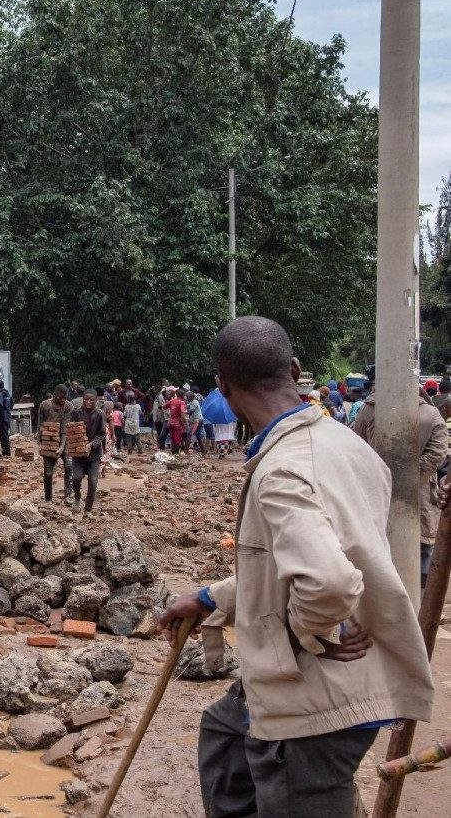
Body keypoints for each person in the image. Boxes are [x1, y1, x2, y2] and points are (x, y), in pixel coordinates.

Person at [158, 316, 433, 817]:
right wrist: (206, 598)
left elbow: (328, 582)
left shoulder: (282, 471)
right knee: (224, 735)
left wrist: (313, 633)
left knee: (294, 791)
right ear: (294, 370)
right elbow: (284, 567)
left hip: (318, 700)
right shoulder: (348, 445)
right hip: (337, 676)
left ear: (222, 386)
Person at [351, 382, 450, 589]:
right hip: (419, 493)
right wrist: (413, 477)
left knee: (378, 543)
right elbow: (438, 452)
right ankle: (418, 594)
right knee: (423, 546)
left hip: (375, 490)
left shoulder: (367, 410)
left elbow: (355, 446)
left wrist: (380, 475)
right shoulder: (431, 414)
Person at [37, 385, 78, 502]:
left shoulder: (68, 406)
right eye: (61, 397)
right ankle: (48, 498)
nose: (63, 400)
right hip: (49, 442)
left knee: (69, 467)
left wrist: (62, 446)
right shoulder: (44, 405)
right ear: (55, 395)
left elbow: (65, 427)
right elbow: (40, 424)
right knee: (48, 472)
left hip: (65, 441)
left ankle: (68, 495)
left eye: (65, 397)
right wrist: (40, 443)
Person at [69, 390, 105, 512]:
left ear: (96, 400)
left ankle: (87, 510)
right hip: (78, 455)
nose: (88, 402)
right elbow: (70, 428)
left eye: (91, 400)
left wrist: (91, 444)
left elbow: (101, 434)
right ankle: (77, 498)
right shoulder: (76, 412)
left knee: (93, 482)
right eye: (86, 399)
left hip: (94, 455)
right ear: (83, 399)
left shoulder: (99, 414)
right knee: (76, 478)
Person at [0, 379, 13, 457]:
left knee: (3, 435)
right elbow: (12, 403)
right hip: (7, 416)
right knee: (5, 434)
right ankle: (6, 451)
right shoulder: (8, 394)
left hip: (2, 418)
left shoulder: (0, 394)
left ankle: (6, 452)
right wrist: (7, 410)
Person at [166, 388, 188, 452]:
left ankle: (173, 452)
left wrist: (172, 411)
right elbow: (182, 413)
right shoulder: (181, 402)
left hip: (170, 422)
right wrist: (183, 422)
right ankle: (176, 453)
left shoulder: (172, 401)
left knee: (172, 437)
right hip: (177, 423)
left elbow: (164, 407)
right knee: (177, 439)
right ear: (182, 395)